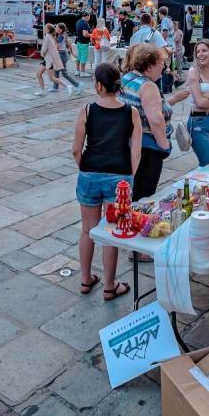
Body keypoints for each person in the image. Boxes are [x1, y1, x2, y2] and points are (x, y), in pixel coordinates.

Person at [72, 63, 142, 300]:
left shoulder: (88, 110)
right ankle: (110, 285)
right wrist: (128, 176)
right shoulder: (131, 112)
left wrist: (85, 167)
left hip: (90, 173)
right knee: (110, 232)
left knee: (87, 230)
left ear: (99, 85)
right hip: (119, 176)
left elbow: (75, 149)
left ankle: (85, 279)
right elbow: (136, 151)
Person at [120, 44, 188, 199]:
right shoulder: (148, 86)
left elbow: (142, 109)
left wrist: (173, 100)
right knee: (144, 195)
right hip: (148, 148)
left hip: (130, 143)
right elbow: (155, 120)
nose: (163, 67)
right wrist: (164, 146)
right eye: (160, 64)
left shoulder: (128, 78)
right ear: (149, 66)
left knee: (132, 192)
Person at [35, 24, 66, 95]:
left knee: (51, 78)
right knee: (38, 74)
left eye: (45, 28)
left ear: (48, 30)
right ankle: (42, 91)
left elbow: (44, 49)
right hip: (48, 59)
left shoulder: (47, 37)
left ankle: (67, 86)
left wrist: (41, 54)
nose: (44, 29)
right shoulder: (50, 36)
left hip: (49, 60)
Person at [53, 24, 81, 95]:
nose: (55, 28)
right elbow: (68, 44)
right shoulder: (64, 34)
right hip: (63, 54)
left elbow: (58, 47)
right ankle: (55, 87)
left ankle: (77, 84)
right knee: (56, 71)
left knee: (63, 73)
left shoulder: (60, 36)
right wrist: (72, 53)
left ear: (60, 29)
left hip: (61, 55)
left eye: (57, 27)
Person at [75, 11, 92, 77]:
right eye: (89, 16)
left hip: (78, 41)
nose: (89, 18)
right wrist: (91, 35)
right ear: (87, 16)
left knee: (79, 56)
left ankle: (77, 71)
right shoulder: (85, 23)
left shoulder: (78, 22)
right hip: (84, 42)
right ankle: (82, 72)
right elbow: (85, 34)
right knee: (83, 57)